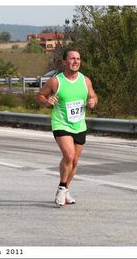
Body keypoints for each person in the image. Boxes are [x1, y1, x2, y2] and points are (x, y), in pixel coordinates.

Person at [36, 48, 98, 207]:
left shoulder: (85, 80)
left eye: (78, 58)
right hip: (61, 123)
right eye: (72, 59)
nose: (75, 61)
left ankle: (66, 189)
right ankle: (62, 188)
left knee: (75, 161)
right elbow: (40, 95)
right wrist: (47, 101)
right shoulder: (56, 81)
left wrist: (92, 102)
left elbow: (93, 96)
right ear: (64, 61)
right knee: (69, 156)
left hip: (79, 124)